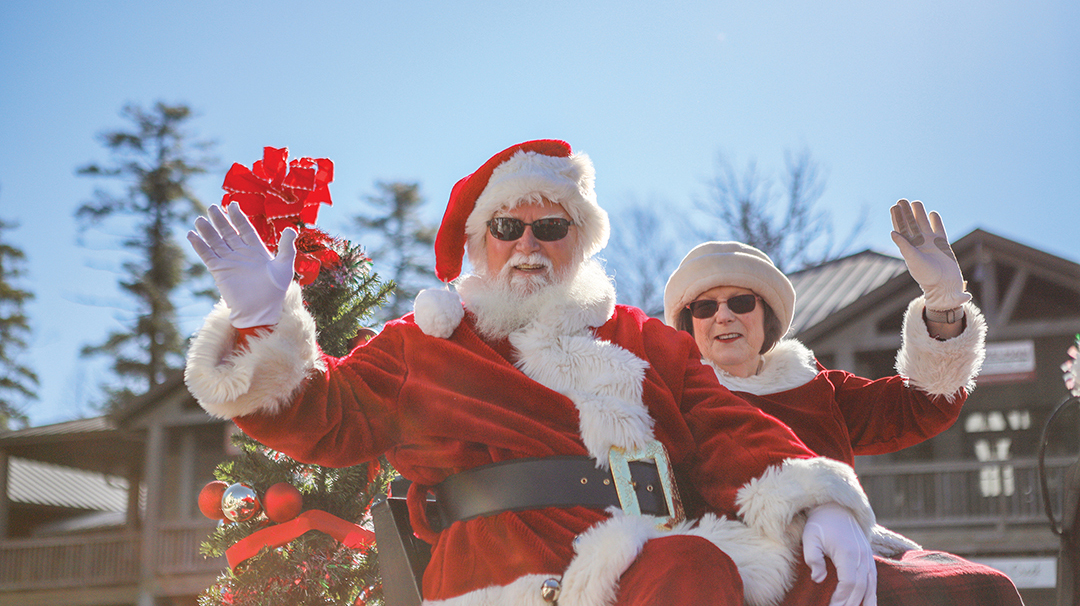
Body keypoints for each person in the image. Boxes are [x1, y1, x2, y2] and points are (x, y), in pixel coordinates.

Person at [186, 139, 880, 606]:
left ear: (578, 242)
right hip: (504, 566)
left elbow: (729, 426)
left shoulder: (641, 337)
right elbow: (323, 415)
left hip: (652, 547)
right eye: (508, 228)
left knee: (715, 569)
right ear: (478, 245)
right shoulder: (426, 342)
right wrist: (260, 318)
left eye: (550, 229)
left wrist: (817, 500)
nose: (528, 245)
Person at [662, 200, 1024, 604]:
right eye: (706, 307)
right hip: (745, 571)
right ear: (687, 325)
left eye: (742, 302)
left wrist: (944, 306)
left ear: (767, 318)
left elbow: (921, 405)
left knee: (988, 588)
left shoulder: (815, 388)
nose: (724, 316)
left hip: (848, 547)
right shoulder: (674, 399)